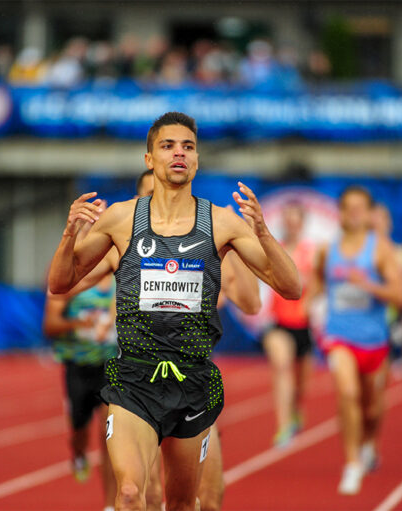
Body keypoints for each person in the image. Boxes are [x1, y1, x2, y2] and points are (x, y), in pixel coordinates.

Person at [48, 111, 301, 511]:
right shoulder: (121, 218)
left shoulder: (221, 223)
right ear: (149, 158)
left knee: (185, 503)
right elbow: (59, 283)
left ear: (197, 160)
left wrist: (263, 232)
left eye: (188, 146)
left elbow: (291, 287)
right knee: (131, 494)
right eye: (167, 146)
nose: (178, 153)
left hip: (192, 382)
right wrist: (68, 234)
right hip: (134, 379)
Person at [135, 169, 261, 511]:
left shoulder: (201, 248)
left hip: (192, 386)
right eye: (150, 194)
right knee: (146, 496)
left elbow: (251, 303)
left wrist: (237, 244)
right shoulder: (123, 246)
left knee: (208, 497)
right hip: (140, 386)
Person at [313, 186, 402, 495]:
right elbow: (315, 283)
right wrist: (308, 301)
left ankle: (369, 444)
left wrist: (369, 285)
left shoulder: (380, 250)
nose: (353, 213)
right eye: (348, 207)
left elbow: (400, 295)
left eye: (359, 207)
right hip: (339, 336)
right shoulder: (328, 250)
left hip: (374, 340)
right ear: (339, 213)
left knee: (372, 410)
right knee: (347, 393)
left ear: (368, 213)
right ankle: (352, 463)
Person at [44, 272, 118, 510]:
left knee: (110, 436)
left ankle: (109, 504)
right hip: (77, 366)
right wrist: (79, 325)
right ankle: (78, 453)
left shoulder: (120, 275)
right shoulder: (71, 280)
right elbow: (49, 325)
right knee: (79, 433)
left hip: (110, 365)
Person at [261, 200, 317, 447]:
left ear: (302, 224)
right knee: (282, 367)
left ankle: (295, 410)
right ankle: (283, 426)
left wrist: (310, 301)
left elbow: (318, 282)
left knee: (300, 383)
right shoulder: (276, 250)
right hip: (279, 323)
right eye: (288, 221)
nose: (291, 225)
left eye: (296, 221)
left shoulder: (313, 252)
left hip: (303, 324)